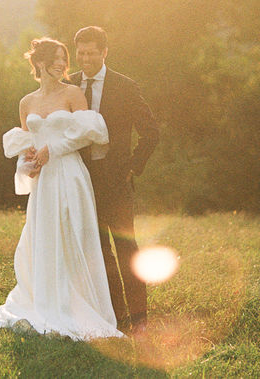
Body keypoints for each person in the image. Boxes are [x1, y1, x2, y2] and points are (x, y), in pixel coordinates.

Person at [0, 37, 123, 340]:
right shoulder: (27, 102)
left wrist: (54, 148)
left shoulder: (73, 93)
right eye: (56, 59)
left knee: (71, 236)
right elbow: (28, 145)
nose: (63, 64)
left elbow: (91, 133)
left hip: (69, 175)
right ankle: (46, 302)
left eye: (64, 59)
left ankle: (75, 306)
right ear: (39, 63)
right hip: (45, 183)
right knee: (43, 239)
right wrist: (29, 166)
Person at [70, 26, 159, 333]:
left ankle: (139, 318)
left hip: (117, 178)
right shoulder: (69, 86)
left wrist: (134, 166)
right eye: (80, 53)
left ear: (104, 52)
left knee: (126, 248)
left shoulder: (124, 86)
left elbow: (151, 131)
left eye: (91, 53)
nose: (85, 59)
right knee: (98, 250)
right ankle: (116, 316)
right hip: (82, 179)